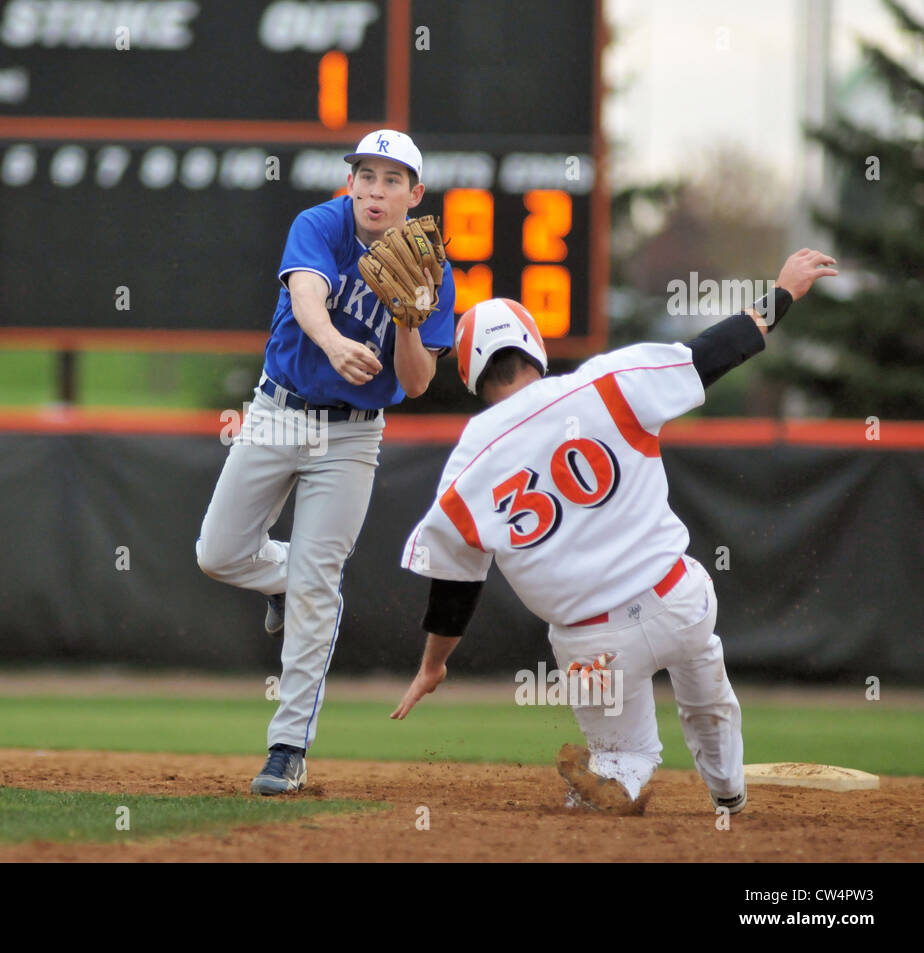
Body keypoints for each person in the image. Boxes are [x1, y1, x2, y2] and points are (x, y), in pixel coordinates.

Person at [389, 249, 838, 813]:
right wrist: (782, 295)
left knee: (623, 755)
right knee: (706, 686)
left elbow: (456, 585)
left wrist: (434, 664)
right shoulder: (608, 383)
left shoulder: (471, 458)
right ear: (535, 345)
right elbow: (711, 354)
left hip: (589, 642)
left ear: (470, 373)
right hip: (675, 598)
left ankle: (619, 780)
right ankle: (728, 793)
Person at [196, 130, 456, 795]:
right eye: (365, 175)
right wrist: (336, 341)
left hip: (351, 436)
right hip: (278, 410)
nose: (374, 189)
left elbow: (419, 382)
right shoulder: (321, 223)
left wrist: (405, 321)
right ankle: (287, 580)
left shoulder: (431, 268)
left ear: (415, 194)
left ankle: (287, 747)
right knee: (218, 553)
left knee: (319, 583)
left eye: (392, 179)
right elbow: (308, 294)